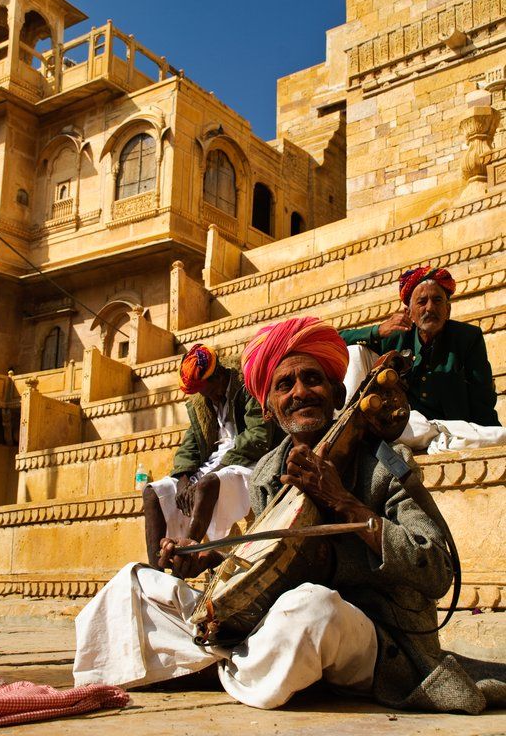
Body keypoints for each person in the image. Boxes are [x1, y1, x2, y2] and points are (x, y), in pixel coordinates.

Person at [73, 316, 506, 713]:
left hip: (373, 637)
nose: (299, 392)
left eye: (312, 379)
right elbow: (272, 561)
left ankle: (216, 666)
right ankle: (253, 666)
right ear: (267, 408)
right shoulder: (266, 473)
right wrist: (211, 558)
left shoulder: (386, 462)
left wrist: (343, 501)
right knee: (134, 583)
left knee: (310, 608)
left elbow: (437, 570)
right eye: (284, 385)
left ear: (337, 393)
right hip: (274, 625)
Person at [340, 266, 506, 452]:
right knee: (356, 351)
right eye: (422, 301)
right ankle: (348, 425)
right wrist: (377, 331)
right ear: (409, 312)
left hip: (453, 428)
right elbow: (336, 340)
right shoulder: (395, 336)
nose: (430, 308)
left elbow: (481, 396)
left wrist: (490, 438)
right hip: (406, 425)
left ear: (448, 309)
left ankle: (437, 438)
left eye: (437, 300)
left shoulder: (467, 338)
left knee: (500, 437)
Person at [142, 343, 280, 566]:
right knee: (152, 493)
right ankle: (156, 570)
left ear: (219, 375)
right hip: (211, 467)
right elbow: (189, 447)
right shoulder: (202, 402)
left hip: (249, 462)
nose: (212, 398)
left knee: (206, 483)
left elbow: (259, 436)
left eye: (211, 391)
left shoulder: (247, 385)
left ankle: (187, 558)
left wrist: (212, 472)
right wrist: (184, 480)